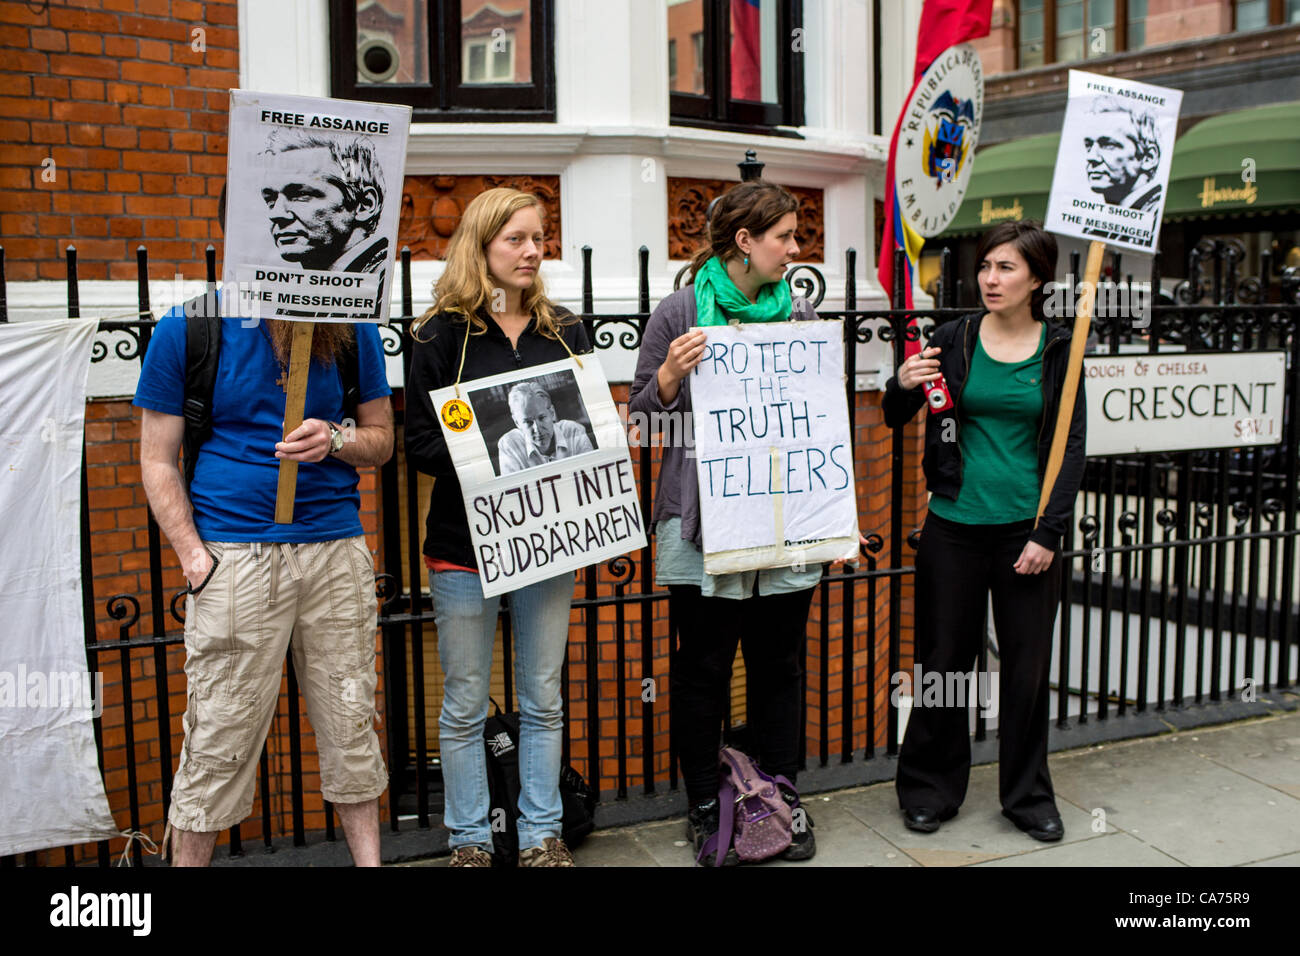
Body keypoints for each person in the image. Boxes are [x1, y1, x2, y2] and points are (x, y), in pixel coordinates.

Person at [135, 292, 394, 866]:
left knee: (352, 725)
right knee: (217, 737)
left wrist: (338, 438)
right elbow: (156, 458)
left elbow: (381, 438)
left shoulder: (348, 324)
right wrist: (194, 558)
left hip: (335, 554)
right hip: (233, 558)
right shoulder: (190, 327)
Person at [629, 180, 821, 866]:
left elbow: (819, 421)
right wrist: (673, 378)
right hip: (704, 520)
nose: (795, 251)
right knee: (704, 669)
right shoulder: (679, 311)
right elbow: (643, 420)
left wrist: (835, 512)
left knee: (780, 667)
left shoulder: (797, 315)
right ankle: (707, 802)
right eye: (785, 238)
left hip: (784, 518)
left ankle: (780, 796)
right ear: (745, 241)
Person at [882, 219, 1086, 843]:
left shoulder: (1061, 349)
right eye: (987, 266)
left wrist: (1048, 534)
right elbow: (897, 415)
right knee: (945, 665)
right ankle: (929, 789)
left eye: (1006, 269)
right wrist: (900, 384)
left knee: (1026, 669)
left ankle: (1027, 797)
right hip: (953, 528)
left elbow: (1071, 447)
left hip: (1026, 534)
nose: (990, 279)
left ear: (1036, 280)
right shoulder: (955, 337)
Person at [404, 187, 590, 867]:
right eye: (516, 238)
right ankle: (471, 840)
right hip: (464, 550)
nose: (532, 250)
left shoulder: (565, 330)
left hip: (547, 544)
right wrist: (489, 458)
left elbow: (587, 432)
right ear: (480, 245)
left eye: (539, 238)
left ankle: (542, 834)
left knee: (543, 695)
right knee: (463, 703)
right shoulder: (438, 336)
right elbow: (418, 442)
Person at [1081, 97, 1162, 211]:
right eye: (1089, 146)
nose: (1091, 157)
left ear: (1149, 158)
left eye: (1109, 145)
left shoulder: (1157, 212)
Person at [496, 380, 594, 474]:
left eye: (542, 417)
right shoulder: (509, 445)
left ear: (552, 413)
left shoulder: (574, 431)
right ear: (517, 422)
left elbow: (593, 474)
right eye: (528, 422)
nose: (537, 429)